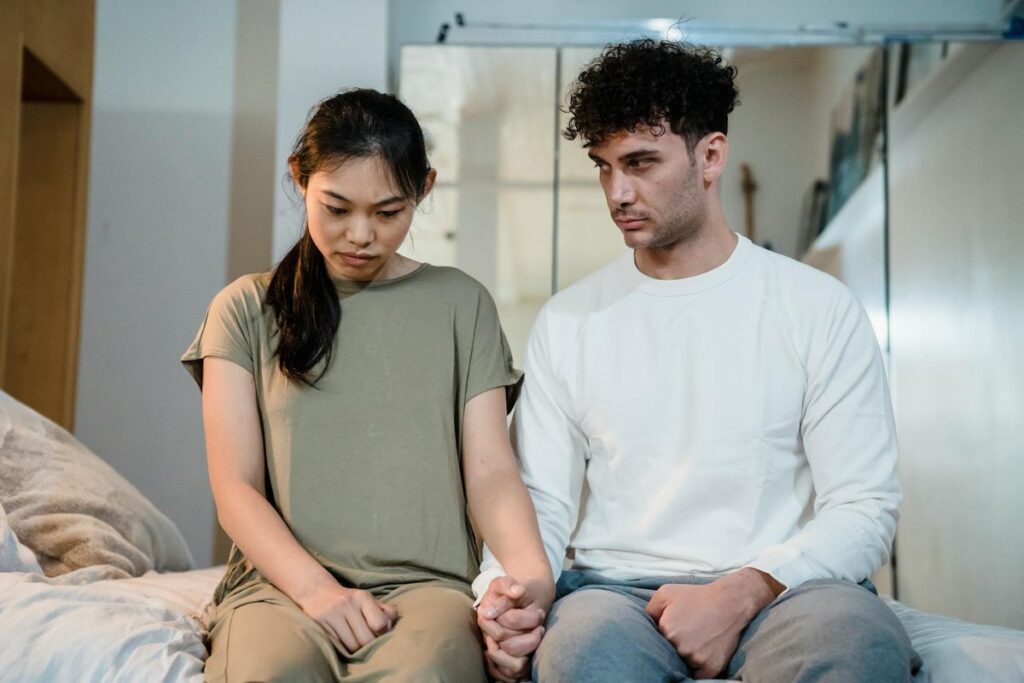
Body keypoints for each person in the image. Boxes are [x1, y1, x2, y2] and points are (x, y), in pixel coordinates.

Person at [474, 40, 921, 682]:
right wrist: (510, 596)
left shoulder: (816, 307)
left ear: (710, 156)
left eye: (640, 163)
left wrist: (742, 592)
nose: (617, 192)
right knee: (579, 655)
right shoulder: (568, 321)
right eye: (603, 166)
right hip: (614, 596)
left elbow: (866, 507)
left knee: (854, 645)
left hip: (789, 592)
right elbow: (540, 504)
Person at [181, 88, 553, 683]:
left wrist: (532, 577)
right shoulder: (245, 308)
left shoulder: (462, 305)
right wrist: (320, 593)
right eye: (336, 208)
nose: (361, 235)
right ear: (299, 179)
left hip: (428, 590)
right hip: (280, 587)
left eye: (388, 213)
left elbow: (492, 471)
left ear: (423, 191)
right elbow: (236, 489)